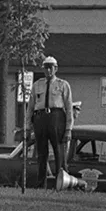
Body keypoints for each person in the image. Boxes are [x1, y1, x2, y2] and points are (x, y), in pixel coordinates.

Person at [28, 56, 73, 189]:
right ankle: (41, 183)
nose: (48, 70)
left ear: (56, 69)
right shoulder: (37, 85)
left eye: (51, 67)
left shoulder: (63, 85)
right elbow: (30, 106)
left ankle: (61, 183)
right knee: (41, 153)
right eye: (46, 67)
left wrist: (68, 128)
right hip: (40, 117)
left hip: (56, 117)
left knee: (59, 152)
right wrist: (28, 125)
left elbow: (69, 108)